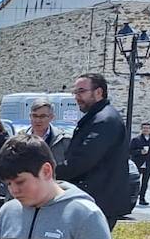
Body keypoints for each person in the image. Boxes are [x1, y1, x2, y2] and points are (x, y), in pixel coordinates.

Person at [55, 74, 129, 229]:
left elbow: (82, 161)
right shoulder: (97, 117)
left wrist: (47, 173)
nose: (76, 97)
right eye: (75, 92)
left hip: (99, 201)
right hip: (94, 199)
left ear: (98, 92)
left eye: (81, 91)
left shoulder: (104, 120)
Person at [129, 122, 150, 207]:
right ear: (141, 129)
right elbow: (130, 151)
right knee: (135, 182)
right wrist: (140, 152)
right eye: (144, 128)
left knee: (145, 182)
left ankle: (142, 198)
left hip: (148, 163)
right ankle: (132, 198)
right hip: (138, 163)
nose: (146, 130)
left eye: (147, 128)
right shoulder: (136, 139)